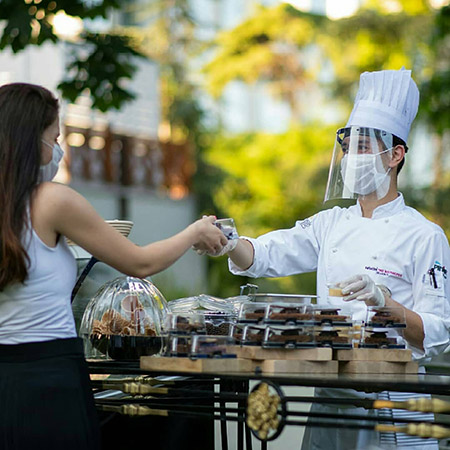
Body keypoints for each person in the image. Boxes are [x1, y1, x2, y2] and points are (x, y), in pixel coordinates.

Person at [201, 69, 450, 449]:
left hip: (395, 402)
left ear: (395, 155)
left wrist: (384, 304)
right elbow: (266, 253)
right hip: (331, 396)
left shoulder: (424, 235)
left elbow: (439, 334)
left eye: (363, 147)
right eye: (347, 148)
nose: (351, 158)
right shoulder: (331, 223)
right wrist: (227, 240)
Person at [0, 82, 227, 450]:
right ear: (30, 141)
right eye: (54, 139)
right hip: (50, 377)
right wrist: (194, 233)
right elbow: (140, 262)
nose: (59, 150)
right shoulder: (52, 201)